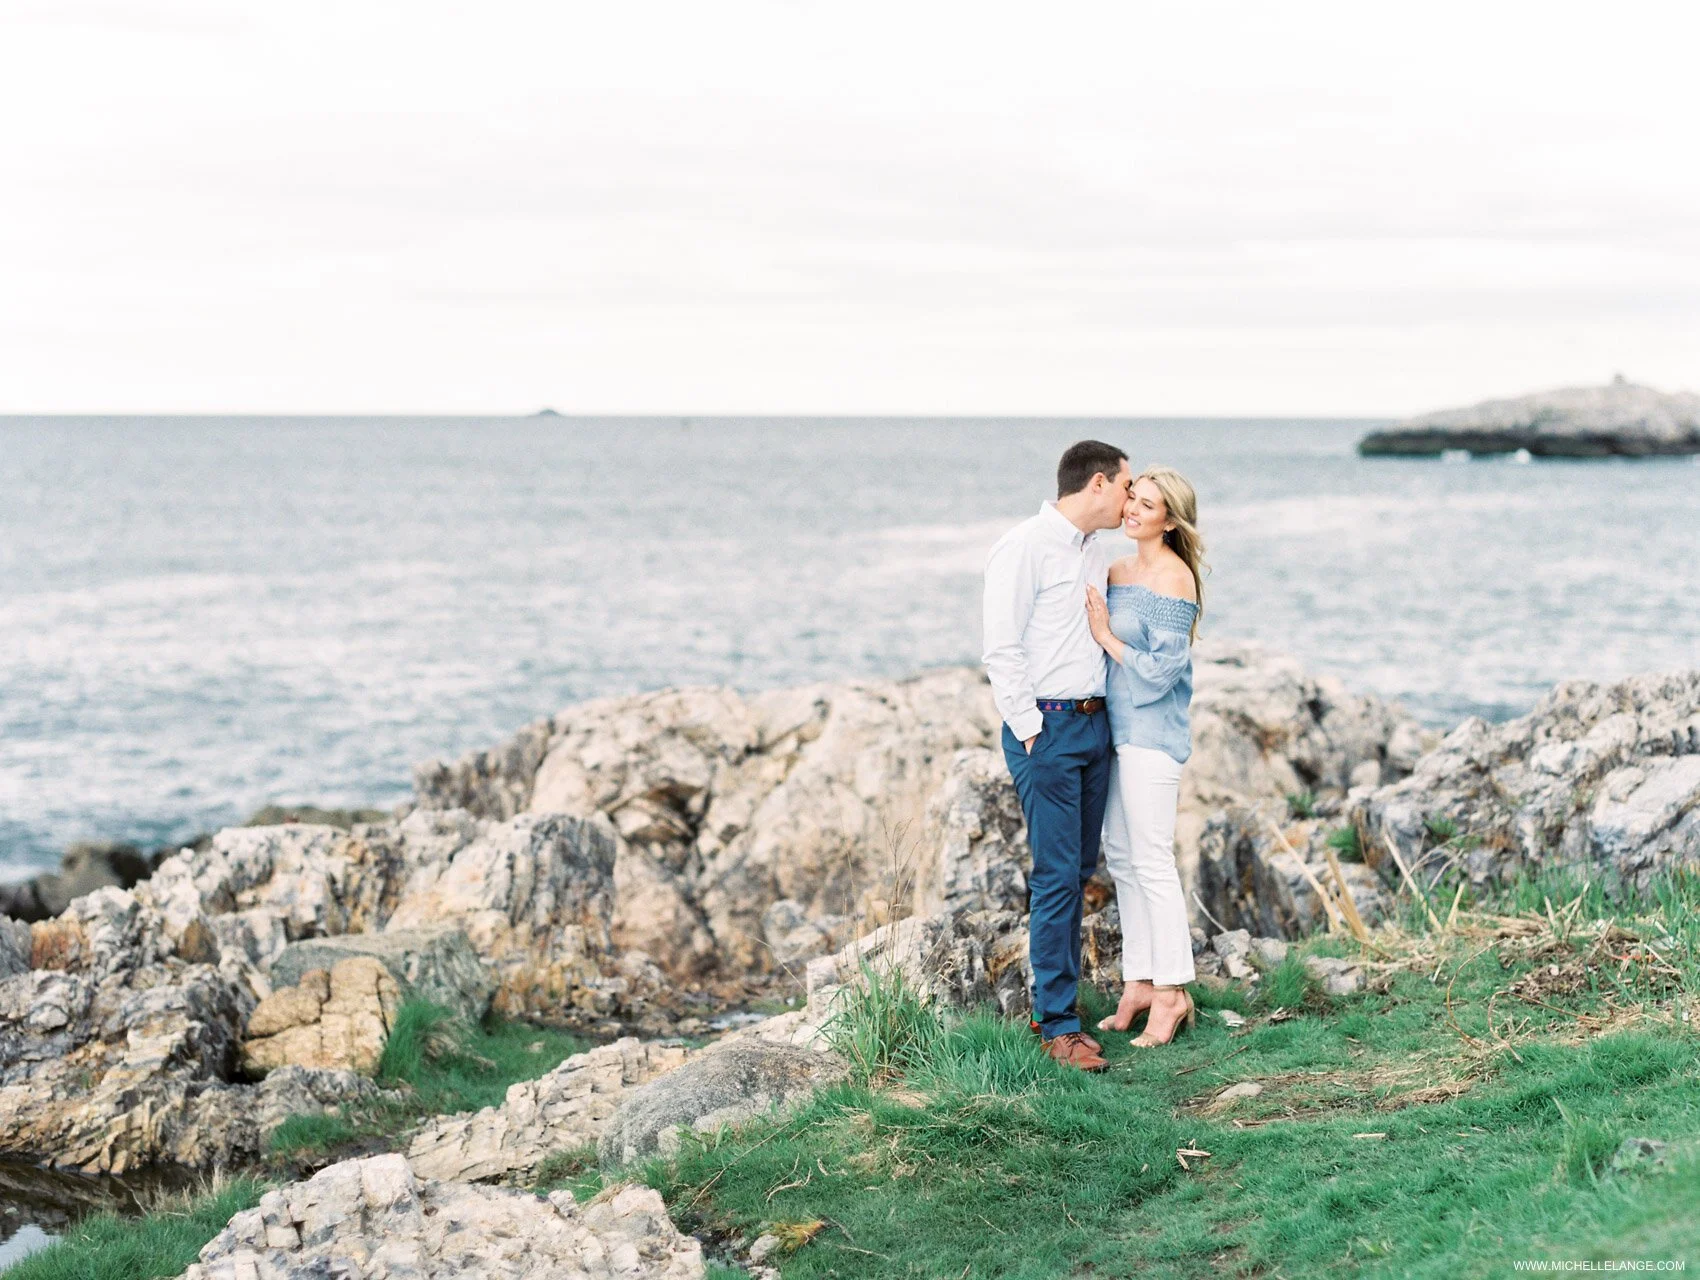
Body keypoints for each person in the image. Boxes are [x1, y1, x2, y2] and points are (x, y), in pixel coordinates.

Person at [982, 440, 1132, 1072]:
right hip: (1048, 729)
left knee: (1077, 872)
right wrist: (1031, 729)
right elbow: (1001, 646)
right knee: (1055, 875)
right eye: (1126, 486)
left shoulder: (1095, 552)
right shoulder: (1024, 547)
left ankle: (1063, 1008)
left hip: (1095, 728)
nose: (1130, 498)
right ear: (1097, 484)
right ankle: (1057, 1025)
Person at [1083, 465, 1207, 1048]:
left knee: (1154, 861)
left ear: (1170, 519)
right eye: (1134, 498)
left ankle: (1174, 992)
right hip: (1112, 728)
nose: (1132, 509)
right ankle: (1138, 982)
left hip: (1153, 736)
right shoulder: (1115, 569)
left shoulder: (1174, 579)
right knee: (1124, 861)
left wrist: (1108, 637)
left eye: (1148, 505)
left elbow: (1160, 673)